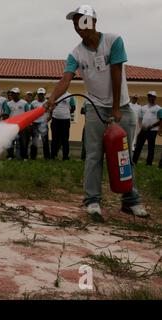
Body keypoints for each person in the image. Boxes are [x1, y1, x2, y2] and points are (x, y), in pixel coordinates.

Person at [47, 5, 148, 220]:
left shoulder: (113, 41)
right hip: (94, 108)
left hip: (121, 106)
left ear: (93, 21)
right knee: (93, 156)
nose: (77, 26)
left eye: (81, 21)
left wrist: (115, 109)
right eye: (75, 23)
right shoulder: (76, 53)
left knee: (124, 154)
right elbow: (66, 78)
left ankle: (131, 201)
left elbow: (116, 72)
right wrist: (53, 98)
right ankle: (92, 201)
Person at [132, 91, 162, 166]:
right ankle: (134, 162)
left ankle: (149, 164)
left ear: (155, 98)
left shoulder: (159, 108)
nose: (150, 98)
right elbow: (140, 118)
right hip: (143, 130)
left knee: (150, 147)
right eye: (149, 96)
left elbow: (161, 120)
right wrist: (141, 127)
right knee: (138, 146)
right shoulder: (143, 108)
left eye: (152, 96)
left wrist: (152, 126)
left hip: (152, 130)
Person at [50, 91, 76, 160]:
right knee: (54, 138)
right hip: (55, 119)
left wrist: (66, 113)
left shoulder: (70, 95)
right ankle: (53, 155)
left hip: (65, 120)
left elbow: (73, 107)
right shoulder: (55, 94)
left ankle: (65, 156)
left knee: (65, 139)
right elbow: (50, 105)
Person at [7, 88, 29, 160]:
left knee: (23, 142)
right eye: (12, 93)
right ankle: (10, 156)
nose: (13, 94)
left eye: (15, 93)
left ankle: (24, 156)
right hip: (11, 126)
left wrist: (27, 124)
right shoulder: (9, 104)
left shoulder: (24, 103)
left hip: (22, 125)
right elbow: (7, 114)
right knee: (10, 141)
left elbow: (28, 114)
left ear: (18, 94)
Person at [30, 88, 51, 160]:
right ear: (37, 94)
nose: (40, 95)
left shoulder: (48, 103)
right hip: (35, 124)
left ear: (44, 94)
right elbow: (31, 114)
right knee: (34, 141)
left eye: (42, 94)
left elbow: (50, 113)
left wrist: (46, 121)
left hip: (43, 124)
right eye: (39, 94)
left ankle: (47, 157)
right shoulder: (33, 103)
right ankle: (33, 157)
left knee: (45, 141)